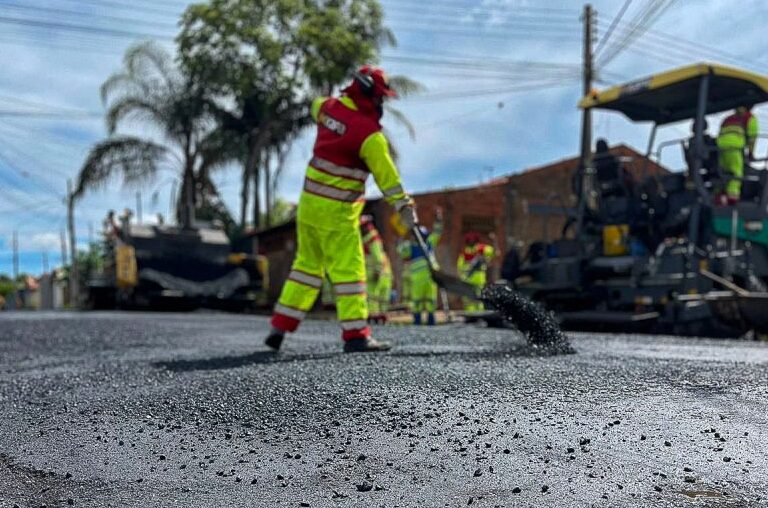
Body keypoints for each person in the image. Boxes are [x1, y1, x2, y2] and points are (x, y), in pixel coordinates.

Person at [264, 66, 417, 353]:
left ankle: (280, 326)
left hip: (308, 208)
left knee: (305, 269)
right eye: (380, 98)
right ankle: (356, 334)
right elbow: (389, 179)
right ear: (371, 95)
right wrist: (404, 208)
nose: (381, 104)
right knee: (349, 271)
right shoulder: (370, 136)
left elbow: (314, 105)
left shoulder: (328, 109)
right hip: (337, 214)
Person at [398, 212, 443, 325]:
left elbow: (437, 233)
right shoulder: (410, 246)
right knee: (417, 301)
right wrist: (404, 236)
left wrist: (438, 219)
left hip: (430, 277)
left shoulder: (429, 243)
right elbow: (401, 252)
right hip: (417, 278)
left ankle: (431, 320)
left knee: (430, 300)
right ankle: (417, 320)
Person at [717, 106, 759, 203]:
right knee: (736, 172)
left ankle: (719, 194)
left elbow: (720, 133)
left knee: (722, 172)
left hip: (720, 148)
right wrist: (750, 154)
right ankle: (732, 196)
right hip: (735, 148)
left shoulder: (727, 119)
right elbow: (752, 137)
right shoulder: (750, 118)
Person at [360, 215, 392, 323]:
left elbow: (377, 257)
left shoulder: (371, 239)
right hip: (384, 272)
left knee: (372, 297)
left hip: (374, 273)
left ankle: (373, 316)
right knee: (382, 297)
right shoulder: (374, 238)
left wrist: (377, 271)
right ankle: (382, 316)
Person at [457, 231, 495, 311]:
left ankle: (471, 315)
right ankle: (478, 315)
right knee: (477, 299)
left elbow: (460, 266)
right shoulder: (481, 248)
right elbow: (492, 252)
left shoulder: (465, 251)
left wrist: (462, 275)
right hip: (478, 278)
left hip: (468, 279)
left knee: (469, 299)